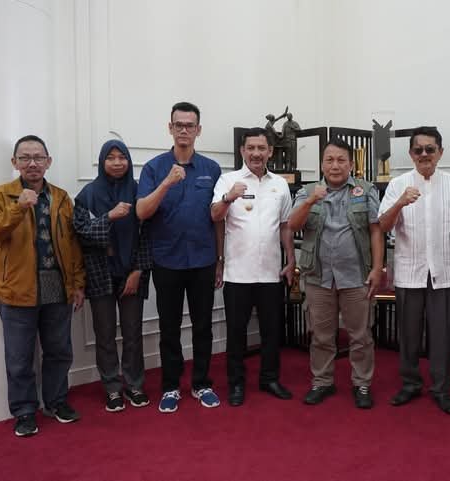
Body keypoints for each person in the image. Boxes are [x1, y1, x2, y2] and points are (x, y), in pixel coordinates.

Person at [0, 135, 85, 437]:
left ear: (49, 162)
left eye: (38, 157)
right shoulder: (2, 195)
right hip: (17, 288)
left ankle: (56, 402)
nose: (32, 163)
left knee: (59, 351)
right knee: (19, 357)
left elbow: (72, 243)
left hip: (56, 286)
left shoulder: (61, 197)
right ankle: (24, 411)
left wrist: (77, 283)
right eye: (25, 157)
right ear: (15, 162)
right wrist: (18, 208)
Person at [136, 102, 224, 413]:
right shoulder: (154, 168)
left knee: (203, 326)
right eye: (178, 125)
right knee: (169, 328)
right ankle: (171, 387)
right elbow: (142, 211)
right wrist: (167, 183)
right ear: (170, 128)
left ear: (198, 130)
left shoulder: (212, 169)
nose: (184, 130)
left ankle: (201, 384)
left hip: (203, 259)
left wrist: (220, 259)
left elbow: (218, 218)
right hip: (167, 260)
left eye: (189, 125)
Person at [378, 126, 450, 414]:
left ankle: (441, 388)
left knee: (442, 335)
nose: (424, 154)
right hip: (410, 271)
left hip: (445, 271)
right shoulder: (398, 184)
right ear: (411, 154)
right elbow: (383, 225)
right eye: (418, 150)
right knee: (408, 333)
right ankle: (410, 384)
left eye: (430, 149)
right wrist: (399, 203)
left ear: (440, 152)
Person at [289, 137, 383, 409]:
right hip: (318, 276)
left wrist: (377, 268)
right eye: (329, 160)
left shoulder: (366, 190)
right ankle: (322, 382)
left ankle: (362, 383)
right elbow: (292, 225)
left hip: (356, 276)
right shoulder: (307, 191)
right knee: (321, 335)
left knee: (360, 335)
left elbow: (376, 230)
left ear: (351, 164)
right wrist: (310, 201)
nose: (335, 165)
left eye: (341, 160)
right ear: (322, 164)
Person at [211, 128, 295, 407]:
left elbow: (285, 225)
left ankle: (270, 378)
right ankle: (236, 383)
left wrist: (291, 258)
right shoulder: (228, 180)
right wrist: (228, 197)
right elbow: (215, 216)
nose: (256, 153)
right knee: (236, 333)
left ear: (270, 151)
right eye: (251, 148)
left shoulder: (280, 184)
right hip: (238, 273)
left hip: (271, 272)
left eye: (261, 148)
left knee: (272, 331)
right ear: (242, 151)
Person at [73, 139, 152, 412]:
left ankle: (134, 385)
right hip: (100, 274)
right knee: (105, 334)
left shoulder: (140, 191)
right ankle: (112, 388)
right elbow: (82, 234)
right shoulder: (87, 194)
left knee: (133, 333)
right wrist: (108, 217)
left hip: (132, 273)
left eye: (122, 157)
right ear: (102, 161)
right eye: (111, 157)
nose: (117, 162)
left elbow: (149, 234)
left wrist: (138, 271)